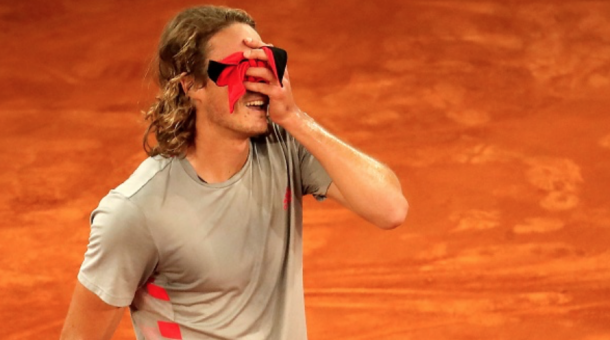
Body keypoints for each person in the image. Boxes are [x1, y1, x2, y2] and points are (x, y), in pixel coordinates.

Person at [60, 5, 408, 340]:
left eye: (265, 67)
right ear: (191, 85)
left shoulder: (283, 148)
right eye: (240, 71)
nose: (258, 84)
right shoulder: (137, 211)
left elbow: (391, 209)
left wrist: (294, 118)